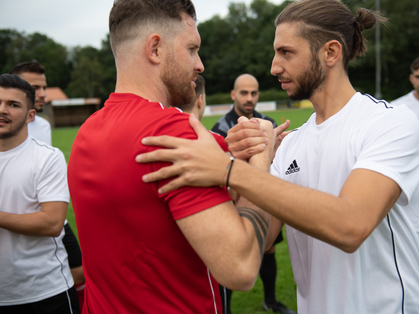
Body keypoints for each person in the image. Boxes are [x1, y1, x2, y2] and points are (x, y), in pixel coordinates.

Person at [136, 0, 419, 313]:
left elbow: (351, 226)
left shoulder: (392, 124)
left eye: (286, 52)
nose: (274, 67)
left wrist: (229, 170)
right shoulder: (291, 145)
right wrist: (250, 159)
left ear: (331, 53)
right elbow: (262, 242)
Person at [67, 1, 273, 313]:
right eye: (192, 49)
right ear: (155, 49)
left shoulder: (87, 131)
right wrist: (261, 158)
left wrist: (229, 159)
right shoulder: (172, 131)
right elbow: (240, 268)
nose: (200, 64)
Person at [212, 73, 294, 314]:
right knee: (231, 256)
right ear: (233, 94)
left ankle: (270, 300)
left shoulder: (266, 122)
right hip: (232, 201)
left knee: (268, 248)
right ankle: (225, 308)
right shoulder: (221, 127)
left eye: (254, 93)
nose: (249, 98)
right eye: (244, 93)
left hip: (264, 197)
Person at [0, 74, 79, 313]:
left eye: (13, 105)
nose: (2, 110)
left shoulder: (47, 157)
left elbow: (52, 223)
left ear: (30, 116)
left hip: (44, 293)